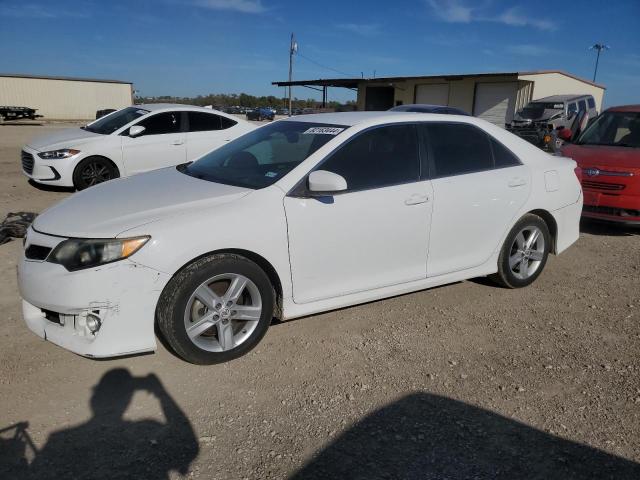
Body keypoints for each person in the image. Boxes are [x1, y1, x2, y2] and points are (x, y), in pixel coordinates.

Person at [27, 369, 198, 480]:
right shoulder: (148, 426)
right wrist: (161, 393)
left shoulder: (57, 439)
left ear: (94, 398)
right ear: (129, 401)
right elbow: (191, 448)